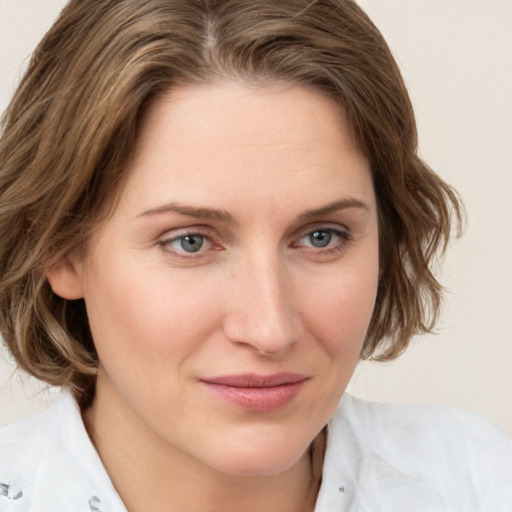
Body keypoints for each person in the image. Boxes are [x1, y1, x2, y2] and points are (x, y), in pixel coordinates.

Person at [0, 0, 511, 510]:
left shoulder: (480, 482)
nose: (270, 330)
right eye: (190, 242)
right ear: (59, 247)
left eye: (321, 237)